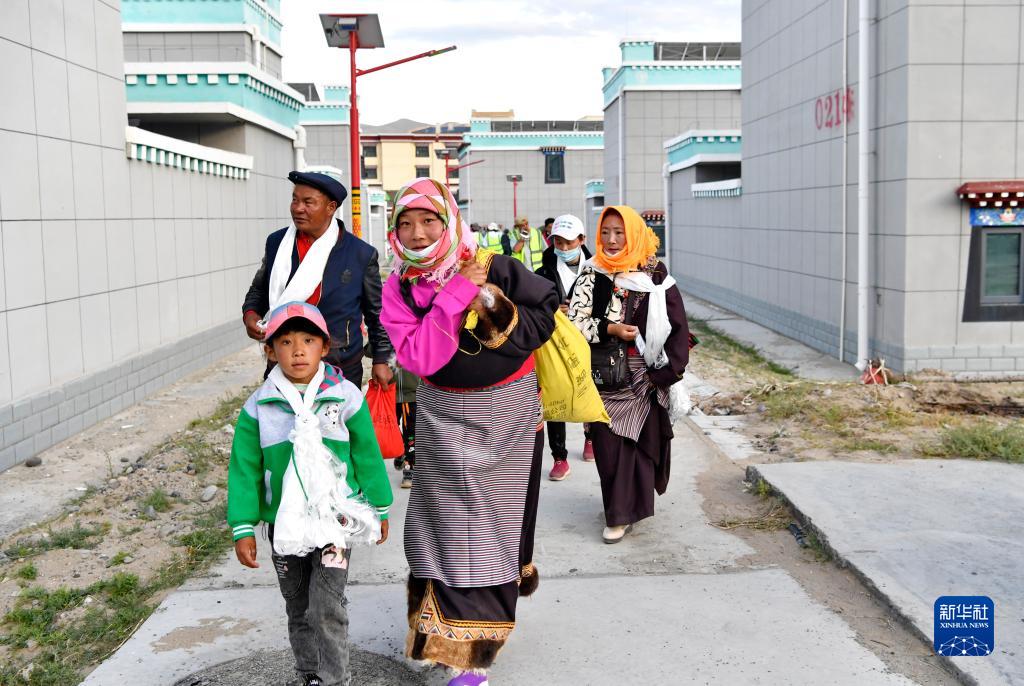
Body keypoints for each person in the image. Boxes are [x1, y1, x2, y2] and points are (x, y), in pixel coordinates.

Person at [380, 178, 557, 686]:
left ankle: (475, 653)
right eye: (405, 223)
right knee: (438, 525)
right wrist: (459, 293)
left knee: (488, 528)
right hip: (441, 416)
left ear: (448, 221)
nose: (417, 233)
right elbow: (420, 356)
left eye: (428, 220)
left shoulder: (493, 265)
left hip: (508, 417)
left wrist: (495, 306)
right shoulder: (399, 287)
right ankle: (438, 634)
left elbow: (543, 316)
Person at [227, 301, 393, 686]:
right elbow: (244, 469)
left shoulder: (345, 396)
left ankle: (336, 678)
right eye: (285, 342)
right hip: (284, 526)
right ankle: (309, 675)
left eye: (308, 340)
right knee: (298, 607)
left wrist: (380, 506)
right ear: (270, 351)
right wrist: (243, 526)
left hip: (335, 521)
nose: (298, 350)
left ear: (324, 346)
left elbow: (366, 454)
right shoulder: (259, 407)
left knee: (325, 606)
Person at [567, 206, 689, 544]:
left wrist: (667, 373)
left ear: (633, 233)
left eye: (619, 232)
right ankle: (618, 510)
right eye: (605, 232)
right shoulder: (592, 272)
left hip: (646, 376)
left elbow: (677, 325)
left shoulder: (655, 273)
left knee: (639, 444)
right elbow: (575, 322)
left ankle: (624, 512)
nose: (611, 239)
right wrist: (611, 329)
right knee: (608, 447)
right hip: (604, 375)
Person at [242, 171, 394, 387]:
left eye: (308, 202)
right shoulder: (277, 243)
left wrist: (381, 359)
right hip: (285, 362)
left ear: (331, 207)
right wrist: (250, 315)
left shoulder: (359, 254)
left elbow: (377, 313)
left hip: (339, 365)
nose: (298, 208)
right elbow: (259, 291)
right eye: (294, 200)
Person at [533, 214, 594, 480]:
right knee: (555, 395)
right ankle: (559, 457)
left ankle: (591, 437)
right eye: (559, 242)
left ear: (582, 240)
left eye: (570, 242)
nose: (564, 248)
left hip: (589, 340)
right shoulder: (543, 272)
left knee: (588, 389)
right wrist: (552, 309)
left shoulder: (596, 270)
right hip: (556, 342)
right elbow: (534, 306)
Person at [393, 364, 419, 489]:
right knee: (389, 430)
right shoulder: (385, 347)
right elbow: (369, 353)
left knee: (411, 434)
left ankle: (410, 468)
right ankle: (400, 450)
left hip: (412, 394)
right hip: (388, 391)